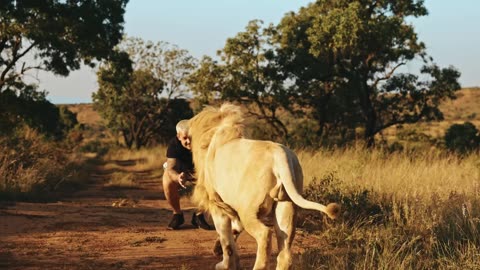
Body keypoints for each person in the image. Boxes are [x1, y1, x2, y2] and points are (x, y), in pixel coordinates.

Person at [162, 119, 213, 230]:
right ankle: (177, 214)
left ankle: (199, 215)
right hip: (181, 172)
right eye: (185, 138)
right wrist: (178, 177)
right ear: (178, 136)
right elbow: (170, 168)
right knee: (166, 178)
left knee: (210, 180)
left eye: (191, 137)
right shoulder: (174, 145)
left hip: (199, 172)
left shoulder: (203, 142)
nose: (189, 142)